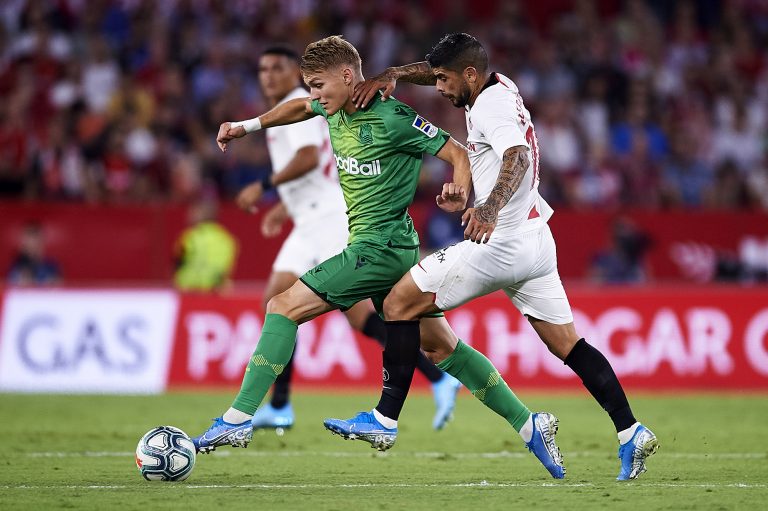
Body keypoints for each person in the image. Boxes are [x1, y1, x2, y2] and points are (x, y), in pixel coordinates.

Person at [191, 36, 565, 479]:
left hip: (378, 250)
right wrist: (246, 126)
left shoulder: (392, 117)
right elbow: (297, 110)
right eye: (309, 87)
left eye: (318, 85)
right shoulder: (330, 109)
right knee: (441, 347)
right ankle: (530, 425)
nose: (313, 96)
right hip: (390, 249)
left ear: (348, 76)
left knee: (282, 306)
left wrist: (461, 189)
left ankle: (237, 419)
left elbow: (457, 152)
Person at [341, 33, 658, 481]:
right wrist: (396, 74)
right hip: (536, 239)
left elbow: (518, 156)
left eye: (445, 80)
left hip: (501, 242)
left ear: (470, 75)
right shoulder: (497, 85)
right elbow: (443, 75)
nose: (440, 88)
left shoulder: (490, 106)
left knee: (397, 303)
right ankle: (631, 431)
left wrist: (488, 207)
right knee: (568, 345)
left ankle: (385, 419)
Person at [237, 45, 461, 433]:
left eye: (275, 68)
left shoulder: (320, 102)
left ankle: (436, 378)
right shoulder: (316, 102)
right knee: (278, 302)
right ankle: (280, 404)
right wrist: (285, 204)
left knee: (357, 315)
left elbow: (309, 158)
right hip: (307, 220)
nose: (267, 76)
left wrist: (264, 186)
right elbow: (327, 164)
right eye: (262, 69)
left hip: (331, 220)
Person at [173, 199, 237, 292]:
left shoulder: (190, 237)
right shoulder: (227, 239)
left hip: (188, 289)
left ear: (201, 215)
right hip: (214, 290)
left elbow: (177, 262)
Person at [6, 221, 61, 286]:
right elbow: (10, 285)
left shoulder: (51, 265)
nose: (33, 246)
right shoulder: (16, 267)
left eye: (36, 241)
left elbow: (60, 284)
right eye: (28, 242)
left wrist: (53, 282)